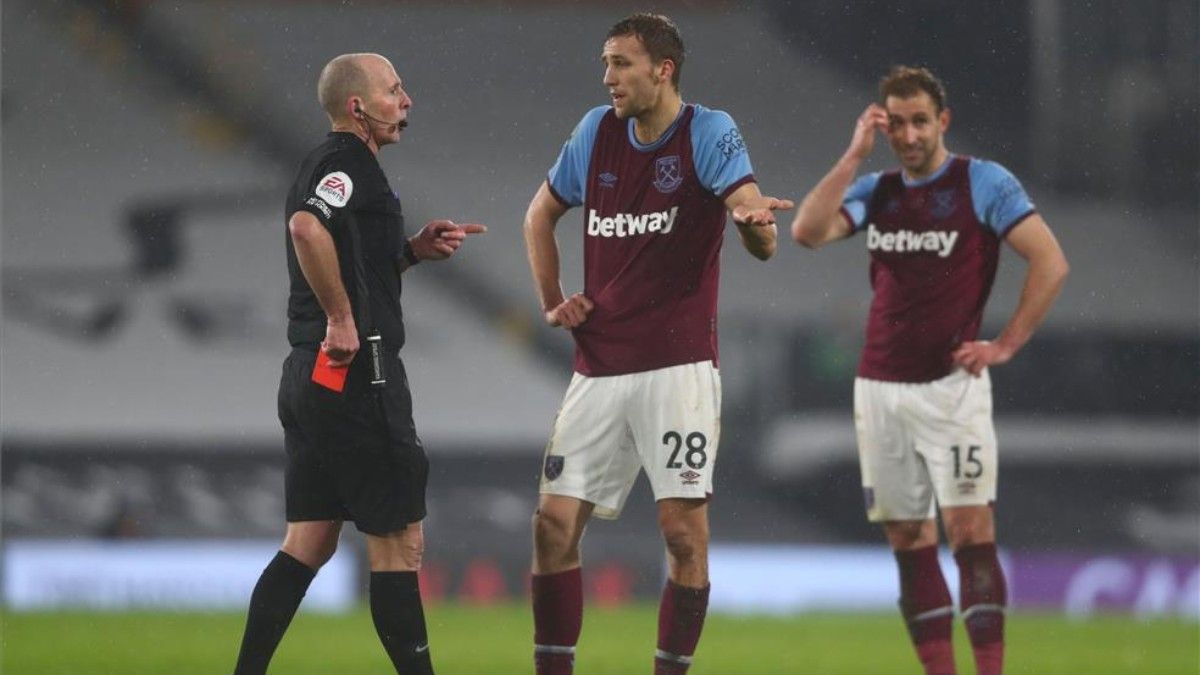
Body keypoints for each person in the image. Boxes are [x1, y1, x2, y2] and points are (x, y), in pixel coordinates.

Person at [522, 14, 793, 675]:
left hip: (679, 368)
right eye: (606, 62)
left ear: (662, 69)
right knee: (551, 526)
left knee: (681, 535)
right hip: (599, 366)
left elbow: (756, 225)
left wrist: (755, 227)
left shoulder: (707, 130)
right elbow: (540, 214)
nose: (607, 76)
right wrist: (553, 298)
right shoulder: (595, 132)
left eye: (620, 63)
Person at [790, 66, 1069, 675]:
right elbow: (806, 230)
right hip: (880, 391)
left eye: (921, 121)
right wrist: (852, 155)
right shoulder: (878, 189)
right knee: (909, 544)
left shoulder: (982, 182)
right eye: (898, 124)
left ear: (943, 121)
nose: (910, 135)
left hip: (952, 390)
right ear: (884, 126)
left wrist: (1006, 344)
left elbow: (1049, 262)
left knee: (971, 534)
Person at [232, 53, 485, 675]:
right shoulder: (346, 163)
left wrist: (410, 253)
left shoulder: (335, 166)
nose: (407, 100)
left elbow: (346, 254)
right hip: (358, 372)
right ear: (358, 107)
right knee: (400, 543)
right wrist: (343, 319)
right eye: (394, 90)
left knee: (310, 541)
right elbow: (306, 228)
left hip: (309, 375)